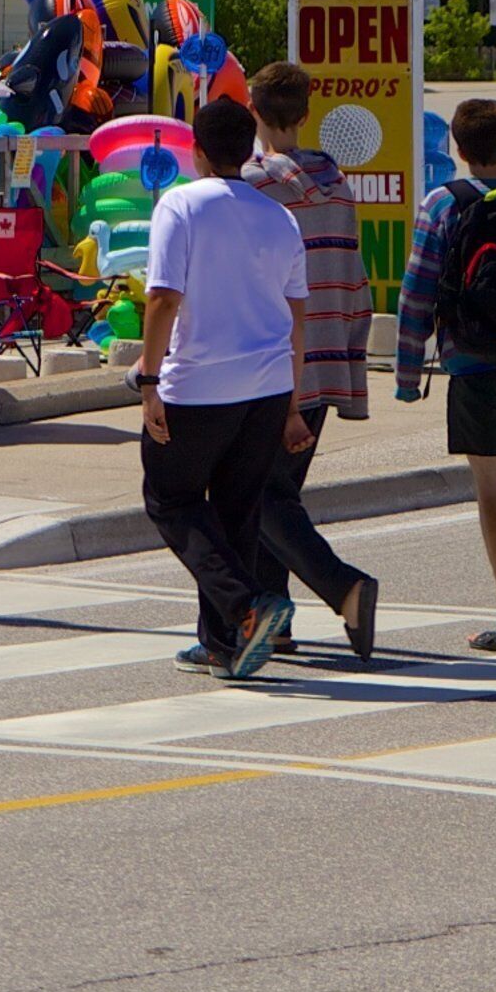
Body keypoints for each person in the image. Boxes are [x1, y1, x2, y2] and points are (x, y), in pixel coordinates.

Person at [137, 97, 309, 679]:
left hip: (199, 383)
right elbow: (296, 312)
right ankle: (222, 645)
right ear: (251, 151)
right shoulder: (278, 215)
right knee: (235, 511)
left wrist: (148, 379)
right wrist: (291, 400)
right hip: (266, 384)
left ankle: (245, 608)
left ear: (197, 150)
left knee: (171, 498)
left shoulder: (180, 203)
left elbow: (162, 298)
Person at [242, 61, 380, 660]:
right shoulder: (337, 183)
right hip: (325, 361)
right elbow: (353, 279)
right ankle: (276, 622)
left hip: (274, 365)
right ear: (304, 116)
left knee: (259, 498)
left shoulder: (251, 188)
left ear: (254, 112)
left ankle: (344, 589)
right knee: (278, 494)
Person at [395, 97, 496, 653]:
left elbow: (417, 294)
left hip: (474, 362)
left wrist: (408, 376)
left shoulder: (443, 203)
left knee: (492, 495)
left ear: (456, 149)